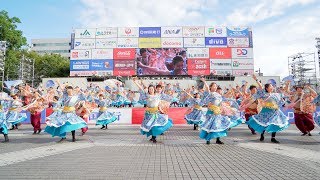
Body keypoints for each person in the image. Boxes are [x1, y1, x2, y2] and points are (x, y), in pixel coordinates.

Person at [246, 75, 289, 143]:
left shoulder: (276, 94)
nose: (272, 87)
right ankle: (262, 135)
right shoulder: (263, 94)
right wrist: (256, 79)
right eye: (270, 86)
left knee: (275, 123)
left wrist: (287, 84)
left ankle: (273, 138)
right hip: (266, 111)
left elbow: (284, 91)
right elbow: (261, 86)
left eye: (272, 86)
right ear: (267, 88)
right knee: (264, 123)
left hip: (275, 111)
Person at [133, 78, 173, 143]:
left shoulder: (158, 95)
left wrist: (165, 87)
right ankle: (152, 137)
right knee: (150, 126)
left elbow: (165, 96)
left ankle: (154, 137)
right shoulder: (147, 95)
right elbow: (141, 88)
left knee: (154, 125)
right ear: (148, 90)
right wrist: (136, 82)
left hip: (155, 113)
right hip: (148, 114)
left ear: (154, 89)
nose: (151, 90)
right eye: (150, 89)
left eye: (152, 89)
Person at [198, 78, 234, 145]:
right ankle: (208, 139)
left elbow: (221, 102)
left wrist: (221, 109)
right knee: (209, 126)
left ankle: (218, 139)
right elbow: (205, 98)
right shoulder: (209, 93)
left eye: (216, 86)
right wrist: (205, 82)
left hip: (217, 112)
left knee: (218, 125)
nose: (215, 87)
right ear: (211, 87)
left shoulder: (218, 95)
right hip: (211, 112)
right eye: (213, 86)